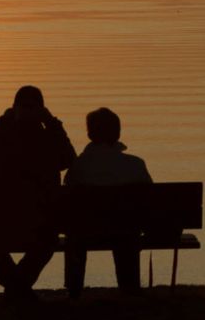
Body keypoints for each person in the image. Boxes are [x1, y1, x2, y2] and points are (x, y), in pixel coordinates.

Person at [0, 85, 76, 298]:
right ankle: (19, 287)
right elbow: (69, 159)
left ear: (14, 108)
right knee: (48, 240)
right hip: (40, 226)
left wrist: (3, 120)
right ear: (42, 111)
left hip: (0, 225)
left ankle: (15, 287)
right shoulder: (49, 140)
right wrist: (52, 122)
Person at [63, 107, 152, 297]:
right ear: (118, 132)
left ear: (89, 134)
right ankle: (129, 289)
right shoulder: (135, 164)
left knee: (75, 234)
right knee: (127, 229)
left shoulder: (79, 166)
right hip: (126, 232)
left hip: (84, 233)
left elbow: (67, 195)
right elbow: (150, 200)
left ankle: (74, 290)